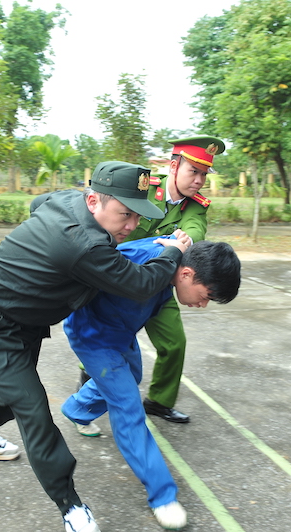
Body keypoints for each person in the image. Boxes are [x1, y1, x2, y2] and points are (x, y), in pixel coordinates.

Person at [0, 161, 192, 532]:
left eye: (138, 215)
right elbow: (141, 284)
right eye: (125, 214)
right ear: (94, 200)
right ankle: (70, 506)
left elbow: (38, 203)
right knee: (33, 409)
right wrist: (173, 252)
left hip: (26, 320)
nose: (132, 225)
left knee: (6, 391)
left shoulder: (69, 200)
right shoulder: (85, 246)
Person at [62, 238, 241, 530]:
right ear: (187, 274)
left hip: (121, 334)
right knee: (127, 406)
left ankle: (76, 410)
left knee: (131, 379)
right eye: (205, 296)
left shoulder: (174, 264)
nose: (203, 305)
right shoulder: (140, 258)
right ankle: (162, 496)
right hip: (93, 336)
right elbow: (88, 262)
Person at [78, 136, 226, 425]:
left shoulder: (195, 206)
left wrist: (186, 240)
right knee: (101, 341)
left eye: (204, 175)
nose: (199, 180)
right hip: (117, 279)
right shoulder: (143, 190)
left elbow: (195, 230)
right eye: (193, 171)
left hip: (158, 284)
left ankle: (159, 401)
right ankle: (85, 391)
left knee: (174, 343)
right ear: (174, 166)